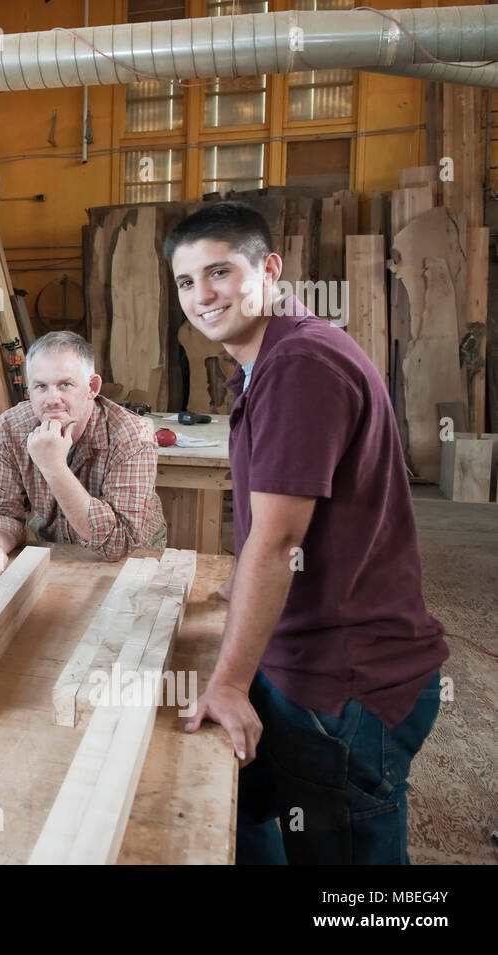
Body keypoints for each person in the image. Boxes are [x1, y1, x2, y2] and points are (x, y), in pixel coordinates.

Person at [170, 201, 447, 865]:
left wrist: (229, 681)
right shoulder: (270, 357)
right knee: (243, 808)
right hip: (302, 659)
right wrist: (230, 593)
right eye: (185, 282)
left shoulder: (299, 365)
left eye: (219, 272)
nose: (202, 295)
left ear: (269, 267)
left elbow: (277, 539)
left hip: (343, 681)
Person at [0, 331, 164, 571]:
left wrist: (53, 467)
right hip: (58, 550)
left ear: (92, 387)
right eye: (40, 386)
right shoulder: (8, 431)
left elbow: (118, 542)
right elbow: (2, 510)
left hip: (134, 556)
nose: (52, 399)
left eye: (65, 384)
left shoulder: (132, 436)